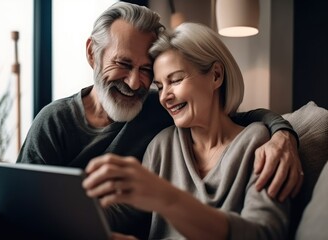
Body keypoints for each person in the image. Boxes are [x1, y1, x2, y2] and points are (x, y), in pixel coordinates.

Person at [0, 1, 299, 237]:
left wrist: (283, 132)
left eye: (150, 73)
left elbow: (236, 117)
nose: (137, 84)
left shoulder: (165, 114)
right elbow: (15, 204)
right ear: (92, 54)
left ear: (215, 75)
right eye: (123, 64)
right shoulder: (158, 137)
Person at [82, 22, 290, 240]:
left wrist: (168, 199)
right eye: (160, 86)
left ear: (216, 76)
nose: (164, 97)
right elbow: (124, 212)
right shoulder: (162, 145)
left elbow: (265, 233)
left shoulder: (259, 143)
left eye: (176, 80)